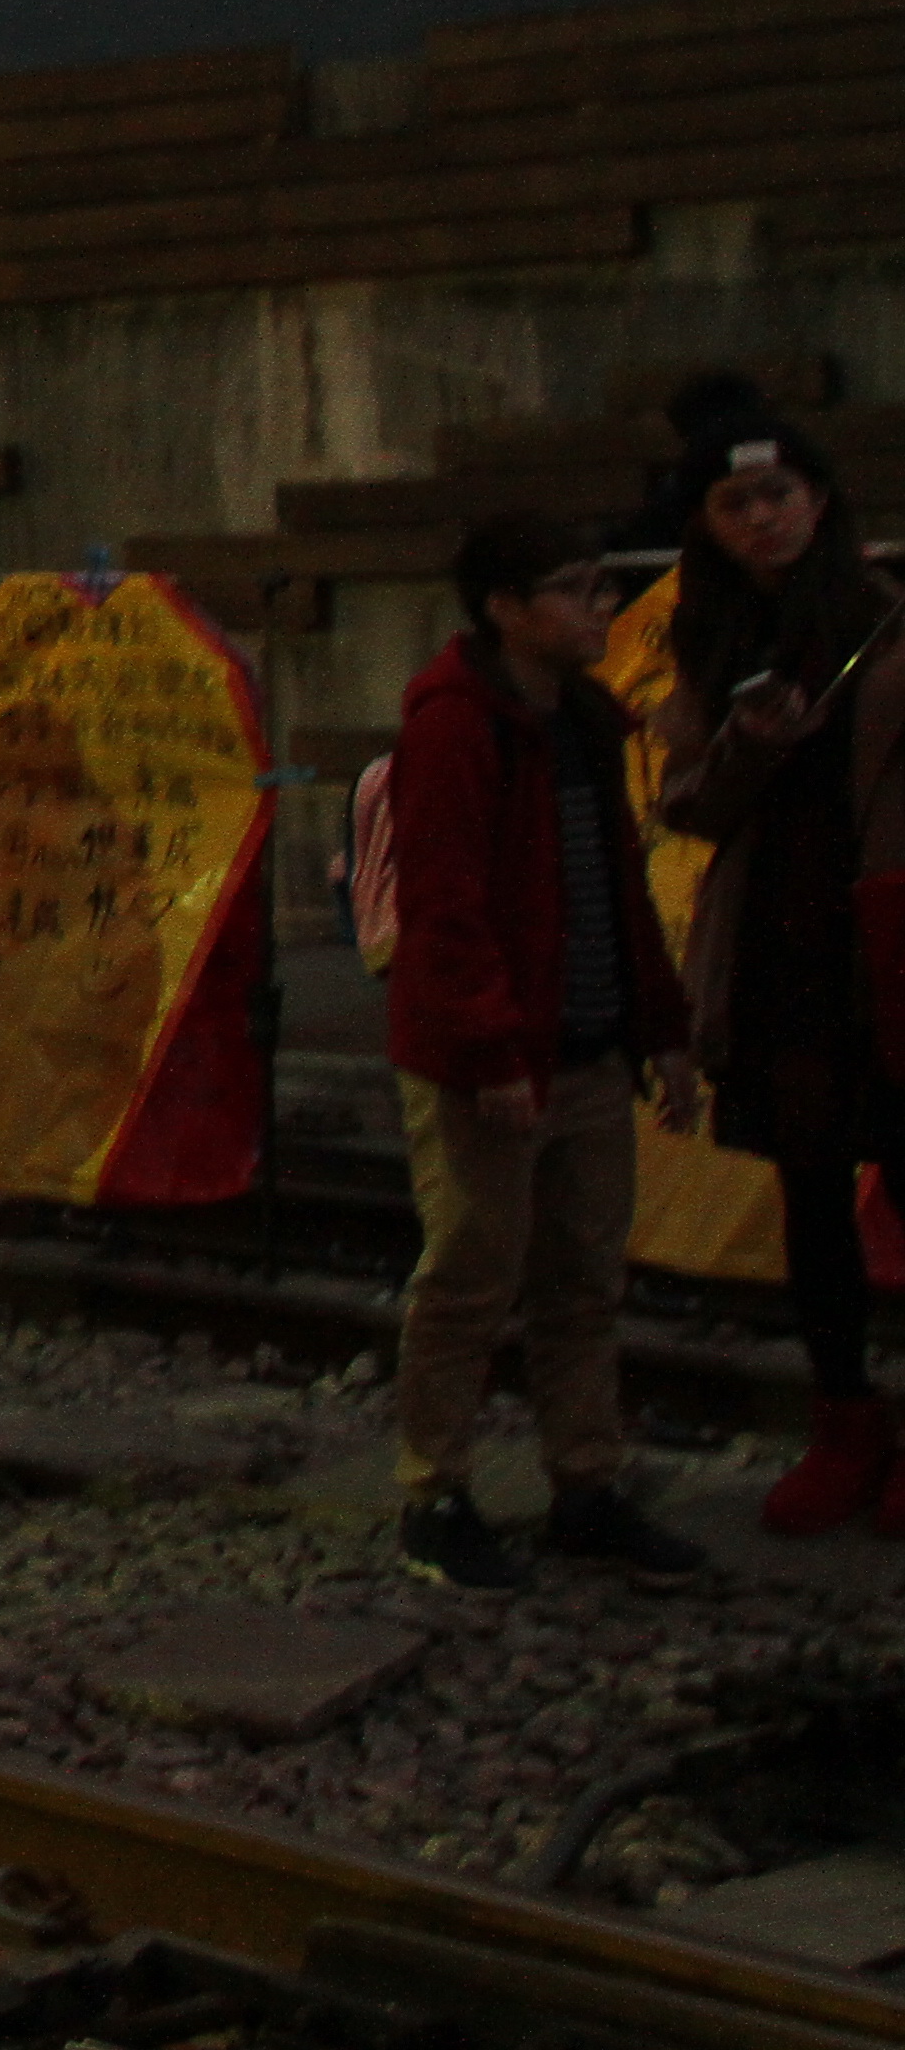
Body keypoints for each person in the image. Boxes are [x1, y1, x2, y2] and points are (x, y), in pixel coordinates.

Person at [381, 512, 706, 1589]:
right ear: (506, 610)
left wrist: (661, 1033)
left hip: (588, 1046)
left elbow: (615, 889)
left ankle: (585, 1483)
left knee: (581, 1281)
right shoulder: (455, 727)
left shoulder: (584, 722)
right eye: (574, 589)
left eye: (602, 588)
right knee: (471, 1277)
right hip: (496, 1059)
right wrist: (490, 1054)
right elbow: (445, 907)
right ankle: (435, 1491)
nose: (600, 608)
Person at [656, 377, 905, 1534]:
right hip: (777, 941)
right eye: (734, 502)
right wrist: (754, 750)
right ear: (707, 525)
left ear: (818, 499)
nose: (761, 518)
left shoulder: (883, 619)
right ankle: (843, 1423)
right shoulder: (706, 641)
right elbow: (690, 809)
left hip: (886, 934)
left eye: (778, 493)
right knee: (810, 1190)